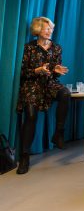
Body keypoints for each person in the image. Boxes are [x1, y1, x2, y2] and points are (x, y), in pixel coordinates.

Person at [16, 17, 70, 174]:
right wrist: (36, 71)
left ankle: (59, 132)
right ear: (38, 30)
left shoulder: (57, 48)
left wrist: (55, 70)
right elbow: (22, 72)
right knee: (31, 115)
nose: (50, 31)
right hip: (32, 84)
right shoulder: (29, 48)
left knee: (65, 93)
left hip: (48, 84)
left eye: (51, 29)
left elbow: (54, 72)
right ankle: (24, 156)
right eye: (46, 28)